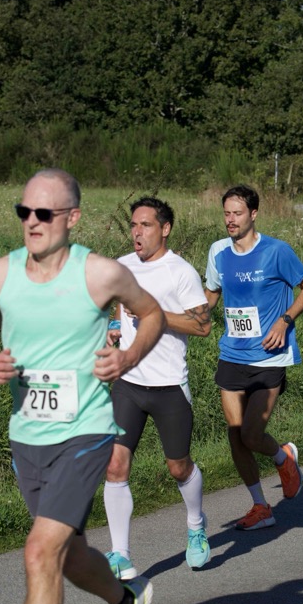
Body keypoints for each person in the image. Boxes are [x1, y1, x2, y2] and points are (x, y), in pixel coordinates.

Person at [0, 169, 163, 604]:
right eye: (23, 211)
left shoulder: (100, 273)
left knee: (38, 552)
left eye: (44, 213)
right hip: (27, 436)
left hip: (87, 430)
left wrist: (127, 356)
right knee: (68, 556)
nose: (32, 222)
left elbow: (151, 314)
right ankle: (126, 599)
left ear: (72, 218)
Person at [101, 198, 212, 584]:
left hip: (168, 386)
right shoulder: (123, 266)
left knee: (178, 467)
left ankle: (196, 526)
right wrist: (115, 328)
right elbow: (119, 308)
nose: (137, 232)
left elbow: (202, 326)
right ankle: (120, 554)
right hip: (129, 383)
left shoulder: (180, 272)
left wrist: (157, 316)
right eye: (133, 224)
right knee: (115, 464)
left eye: (145, 225)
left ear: (164, 229)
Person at [204, 185, 303, 531]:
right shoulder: (218, 251)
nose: (230, 220)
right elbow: (211, 295)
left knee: (252, 435)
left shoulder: (276, 251)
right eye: (226, 213)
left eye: (237, 213)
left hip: (269, 357)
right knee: (235, 434)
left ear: (253, 214)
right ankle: (260, 506)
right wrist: (186, 315)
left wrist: (285, 321)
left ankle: (283, 458)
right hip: (232, 353)